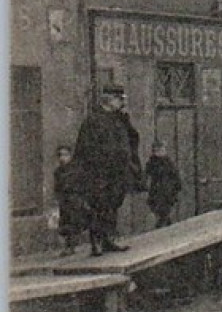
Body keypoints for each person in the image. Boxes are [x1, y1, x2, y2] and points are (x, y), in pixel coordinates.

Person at [73, 84, 143, 256]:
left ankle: (108, 239)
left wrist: (126, 120)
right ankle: (96, 242)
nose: (122, 103)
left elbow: (133, 139)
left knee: (113, 204)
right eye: (120, 100)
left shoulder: (119, 118)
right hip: (99, 173)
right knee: (99, 205)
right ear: (110, 100)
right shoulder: (93, 120)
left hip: (118, 172)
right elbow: (84, 149)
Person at [52, 145, 86, 256]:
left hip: (74, 200)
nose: (62, 158)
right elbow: (57, 187)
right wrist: (57, 199)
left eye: (65, 155)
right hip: (64, 201)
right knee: (64, 222)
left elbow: (81, 185)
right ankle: (68, 246)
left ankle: (71, 246)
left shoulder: (76, 170)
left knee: (74, 222)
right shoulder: (57, 172)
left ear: (70, 156)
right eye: (60, 155)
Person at [145, 141, 183, 228]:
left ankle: (163, 224)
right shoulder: (152, 162)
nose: (160, 152)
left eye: (162, 150)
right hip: (156, 189)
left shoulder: (168, 162)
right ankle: (165, 223)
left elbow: (175, 175)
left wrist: (176, 186)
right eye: (157, 150)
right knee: (158, 208)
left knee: (165, 209)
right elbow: (147, 174)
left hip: (167, 190)